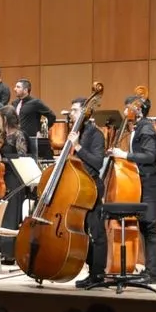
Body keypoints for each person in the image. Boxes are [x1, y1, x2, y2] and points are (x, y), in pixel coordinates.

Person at [110, 96, 156, 284]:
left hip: (151, 182)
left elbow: (149, 156)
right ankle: (149, 270)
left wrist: (124, 155)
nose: (125, 112)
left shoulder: (146, 128)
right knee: (145, 226)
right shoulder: (139, 126)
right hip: (143, 182)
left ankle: (153, 275)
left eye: (128, 108)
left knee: (150, 227)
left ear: (138, 110)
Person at [66, 98, 107, 288]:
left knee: (96, 232)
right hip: (79, 188)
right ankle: (91, 270)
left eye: (74, 110)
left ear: (85, 112)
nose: (71, 114)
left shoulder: (96, 134)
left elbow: (97, 162)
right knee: (84, 232)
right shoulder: (77, 133)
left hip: (92, 187)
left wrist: (78, 147)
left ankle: (98, 273)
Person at [0, 106, 29, 263]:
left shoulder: (19, 135)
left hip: (13, 180)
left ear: (5, 119)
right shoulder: (1, 136)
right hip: (0, 179)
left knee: (9, 216)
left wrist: (1, 159)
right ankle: (1, 251)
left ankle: (10, 254)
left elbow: (22, 158)